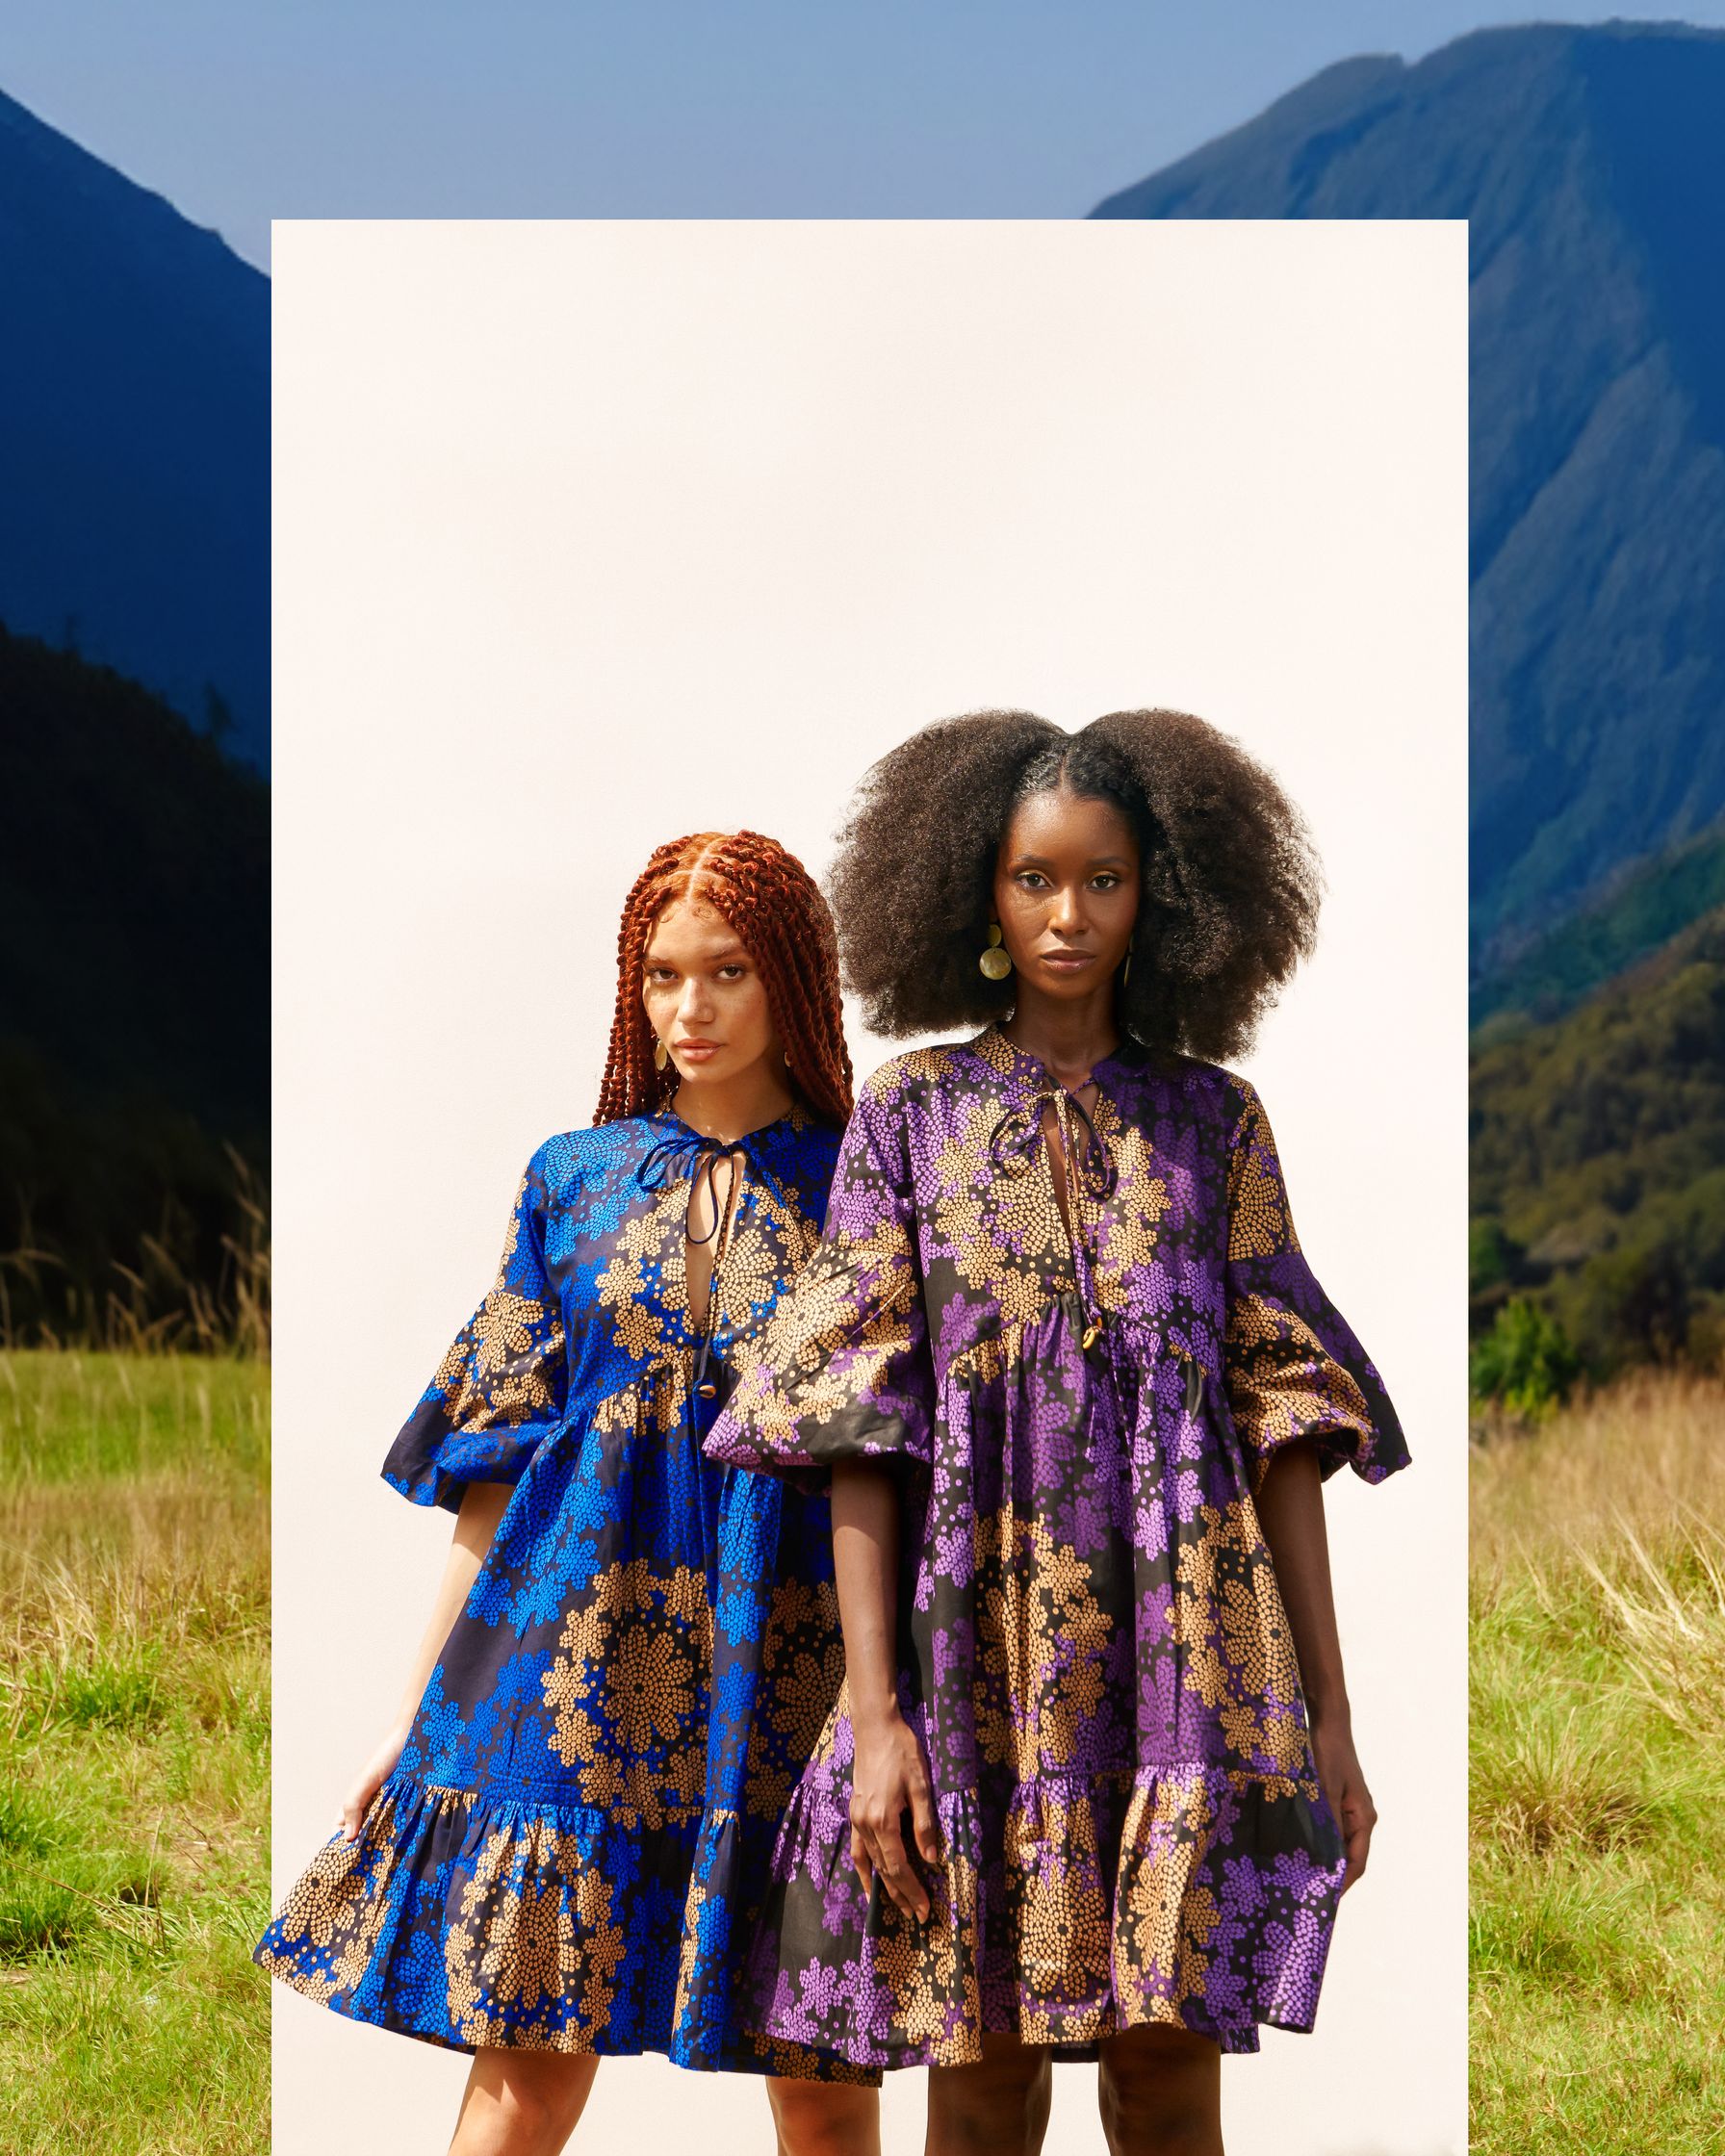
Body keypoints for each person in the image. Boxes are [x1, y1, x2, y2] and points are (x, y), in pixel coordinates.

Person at [705, 711, 1411, 2155]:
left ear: (1163, 897)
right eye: (1036, 880)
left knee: (1165, 2082)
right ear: (980, 892)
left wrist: (1330, 1714)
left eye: (1103, 879)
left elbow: (1282, 1436)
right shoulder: (910, 1119)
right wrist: (878, 1711)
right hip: (977, 1666)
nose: (1068, 915)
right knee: (981, 2084)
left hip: (1186, 1674)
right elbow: (859, 1429)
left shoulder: (1219, 1126)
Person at [256, 831, 881, 2156]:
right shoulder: (570, 1178)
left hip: (794, 1670)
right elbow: (492, 1479)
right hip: (559, 1671)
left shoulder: (868, 1185)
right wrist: (424, 1710)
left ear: (793, 978)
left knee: (824, 2092)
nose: (690, 1009)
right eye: (661, 975)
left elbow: (906, 1462)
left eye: (727, 972)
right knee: (525, 2073)